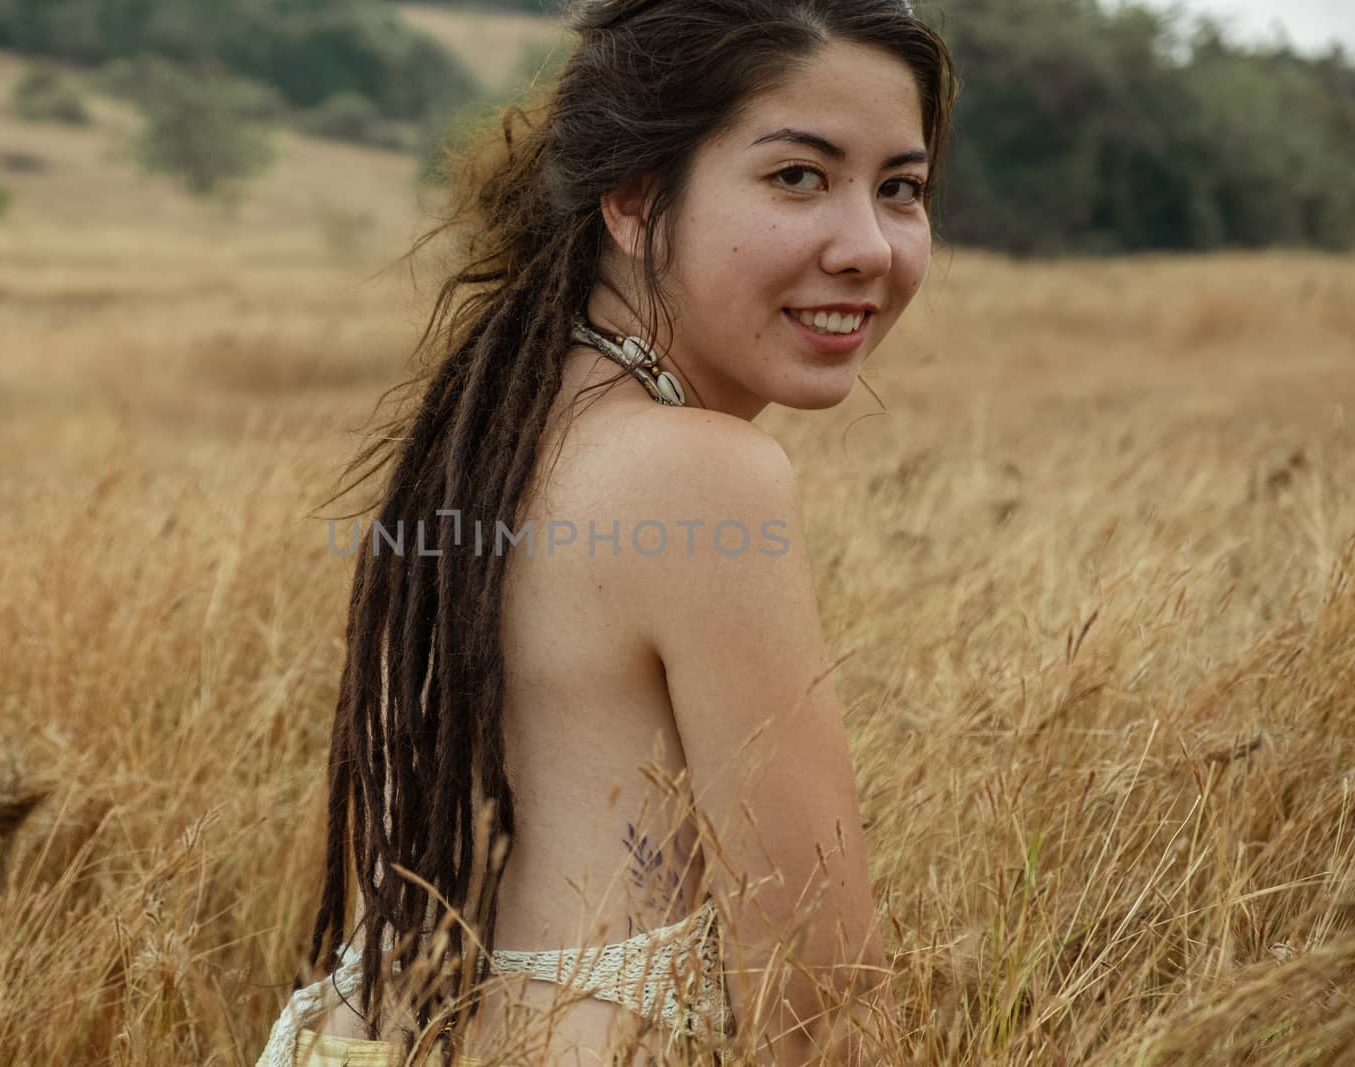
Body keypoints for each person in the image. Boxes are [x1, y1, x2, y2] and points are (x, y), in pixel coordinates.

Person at [258, 1, 954, 1064]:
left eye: (898, 188)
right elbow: (822, 1009)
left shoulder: (486, 438)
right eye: (797, 177)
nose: (867, 246)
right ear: (633, 198)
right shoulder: (702, 474)